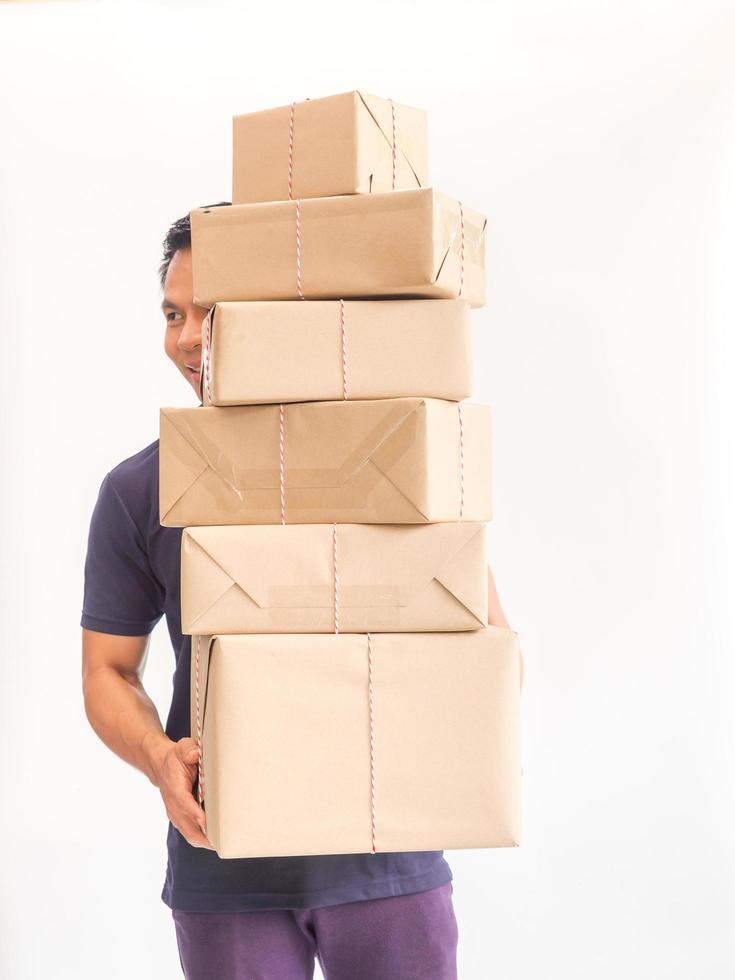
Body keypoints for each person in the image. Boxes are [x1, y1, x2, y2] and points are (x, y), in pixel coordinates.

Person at [80, 205, 513, 980]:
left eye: (213, 314)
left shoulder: (392, 464)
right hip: (224, 861)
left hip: (385, 861)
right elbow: (107, 670)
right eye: (174, 313)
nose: (185, 338)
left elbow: (485, 651)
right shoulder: (139, 489)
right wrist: (157, 757)